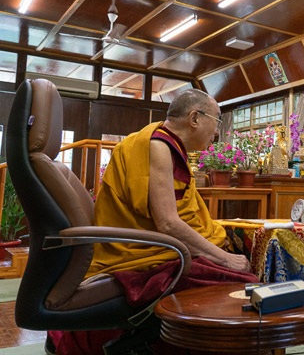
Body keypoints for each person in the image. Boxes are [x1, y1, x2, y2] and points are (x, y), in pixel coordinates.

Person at [62, 90, 258, 354]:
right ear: (194, 118)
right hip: (144, 253)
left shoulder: (160, 143)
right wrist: (224, 259)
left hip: (155, 245)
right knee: (242, 282)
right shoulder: (158, 146)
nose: (216, 133)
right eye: (217, 121)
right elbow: (167, 224)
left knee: (236, 267)